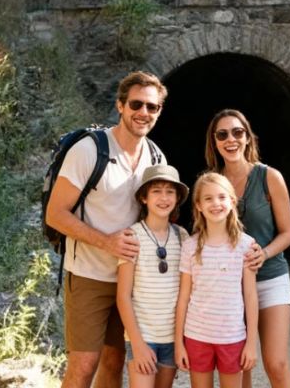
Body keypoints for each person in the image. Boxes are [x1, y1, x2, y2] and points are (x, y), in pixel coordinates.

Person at [45, 71, 168, 388]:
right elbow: (55, 214)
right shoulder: (89, 150)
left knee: (114, 364)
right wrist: (106, 243)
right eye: (136, 104)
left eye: (151, 107)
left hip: (131, 281)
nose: (143, 113)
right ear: (121, 105)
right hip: (88, 275)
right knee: (84, 366)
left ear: (159, 112)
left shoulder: (155, 157)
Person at [204, 109, 290, 388]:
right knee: (238, 366)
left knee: (276, 363)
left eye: (237, 132)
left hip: (270, 277)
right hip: (229, 285)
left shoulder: (270, 177)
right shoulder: (212, 183)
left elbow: (288, 232)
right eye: (222, 134)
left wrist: (264, 253)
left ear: (247, 137)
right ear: (215, 142)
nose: (230, 139)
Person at [174, 172, 259, 388]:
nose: (216, 204)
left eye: (221, 197)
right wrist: (178, 344)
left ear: (232, 201)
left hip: (232, 337)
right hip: (196, 336)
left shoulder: (246, 245)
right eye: (208, 198)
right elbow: (183, 297)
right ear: (199, 206)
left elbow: (250, 297)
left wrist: (251, 344)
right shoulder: (190, 246)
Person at [116, 164, 190, 388]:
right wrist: (137, 344)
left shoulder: (182, 237)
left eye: (170, 192)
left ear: (177, 198)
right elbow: (123, 296)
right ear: (144, 198)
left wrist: (181, 342)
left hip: (172, 337)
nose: (164, 197)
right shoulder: (132, 236)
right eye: (156, 191)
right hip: (142, 336)